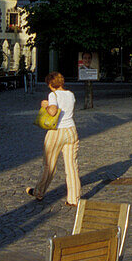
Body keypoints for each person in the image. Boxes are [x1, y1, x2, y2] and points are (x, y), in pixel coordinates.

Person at [26, 71, 82, 206]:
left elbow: (53, 111)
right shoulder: (71, 94)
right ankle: (74, 198)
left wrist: (45, 105)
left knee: (49, 165)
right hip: (71, 130)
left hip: (56, 132)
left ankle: (39, 192)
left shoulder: (53, 95)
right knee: (71, 166)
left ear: (51, 84)